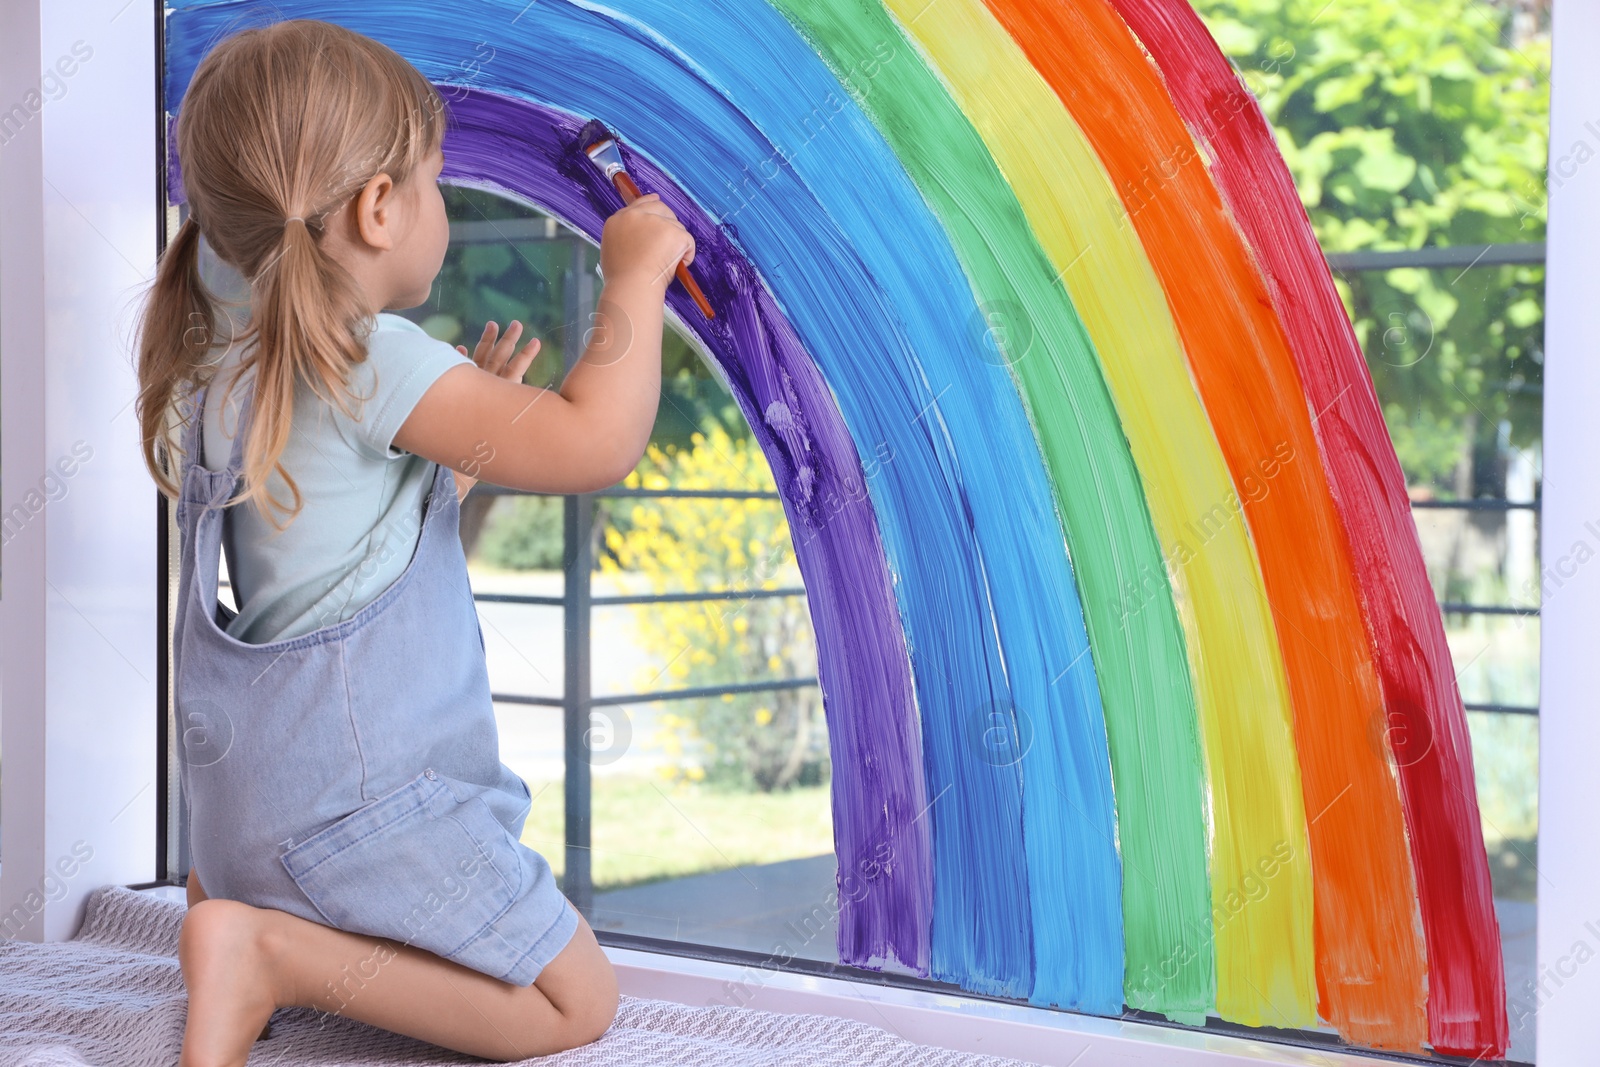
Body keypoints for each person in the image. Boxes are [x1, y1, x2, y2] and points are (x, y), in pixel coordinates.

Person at [135, 19, 693, 1067]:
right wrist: (634, 280)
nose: (445, 204)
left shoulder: (230, 363)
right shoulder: (371, 359)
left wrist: (464, 446)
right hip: (355, 817)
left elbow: (337, 550)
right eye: (436, 181)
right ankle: (276, 959)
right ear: (379, 209)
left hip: (238, 828)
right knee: (576, 999)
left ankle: (258, 931)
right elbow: (593, 441)